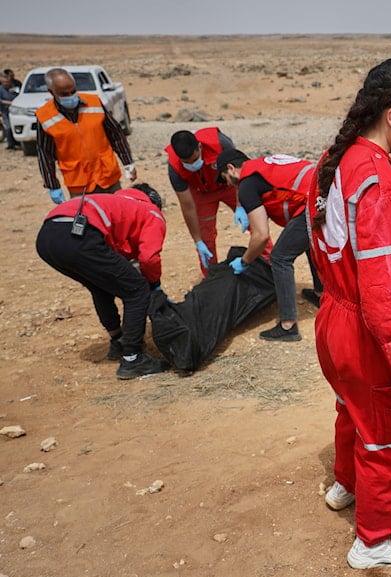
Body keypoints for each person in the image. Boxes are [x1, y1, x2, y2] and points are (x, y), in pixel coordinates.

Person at [308, 56, 391, 568]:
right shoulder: (377, 181)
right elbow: (384, 281)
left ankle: (347, 484)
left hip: (334, 317)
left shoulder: (335, 161)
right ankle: (376, 540)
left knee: (354, 411)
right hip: (367, 328)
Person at [35, 185, 170, 380]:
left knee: (100, 286)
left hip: (47, 237)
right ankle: (133, 358)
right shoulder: (151, 211)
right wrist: (154, 284)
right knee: (137, 289)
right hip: (78, 236)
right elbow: (149, 259)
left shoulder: (116, 202)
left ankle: (118, 341)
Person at [216, 148, 322, 341]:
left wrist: (245, 261)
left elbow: (261, 236)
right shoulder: (262, 166)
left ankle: (287, 325)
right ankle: (320, 293)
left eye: (225, 179)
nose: (229, 186)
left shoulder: (248, 185)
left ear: (231, 169)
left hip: (313, 204)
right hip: (325, 194)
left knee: (280, 257)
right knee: (303, 241)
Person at [36, 67, 136, 204]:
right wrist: (52, 185)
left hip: (107, 177)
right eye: (64, 94)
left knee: (116, 217)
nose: (70, 96)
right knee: (87, 222)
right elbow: (45, 154)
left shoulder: (94, 102)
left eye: (73, 91)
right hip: (79, 184)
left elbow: (116, 134)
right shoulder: (45, 116)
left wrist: (128, 162)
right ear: (51, 92)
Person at [164, 128, 241, 275]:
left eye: (194, 159)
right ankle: (211, 277)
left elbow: (239, 174)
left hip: (228, 185)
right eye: (186, 163)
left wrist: (240, 205)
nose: (192, 165)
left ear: (199, 147)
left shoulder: (221, 144)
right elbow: (187, 206)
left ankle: (268, 262)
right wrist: (197, 240)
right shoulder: (174, 167)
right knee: (205, 238)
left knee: (254, 220)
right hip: (202, 193)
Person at [0, 74, 16, 150]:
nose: (6, 83)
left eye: (8, 82)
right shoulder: (0, 90)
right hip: (5, 112)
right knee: (8, 127)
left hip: (16, 111)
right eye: (5, 82)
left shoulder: (15, 88)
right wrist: (11, 103)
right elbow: (1, 101)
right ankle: (10, 145)